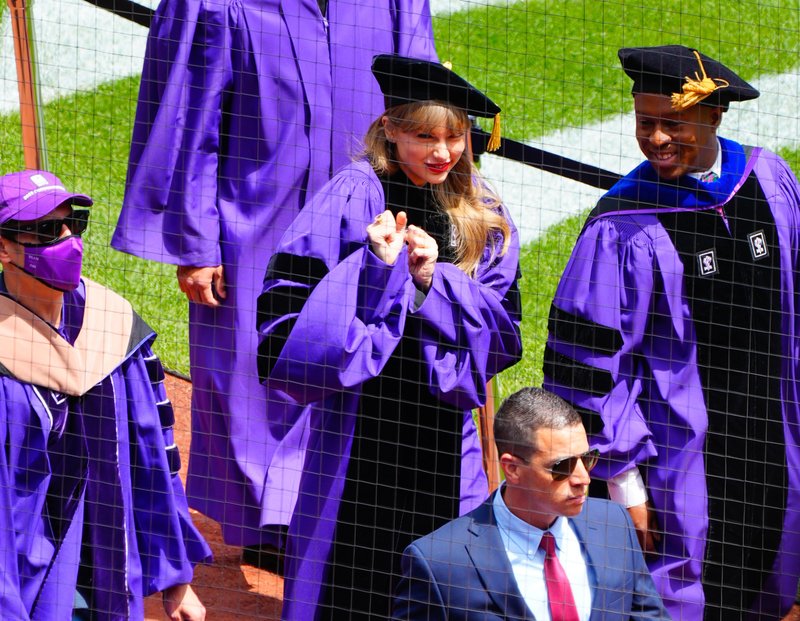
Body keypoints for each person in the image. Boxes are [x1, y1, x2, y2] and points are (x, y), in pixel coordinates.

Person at [111, 0, 442, 559]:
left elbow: (427, 95)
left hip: (369, 210)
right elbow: (192, 116)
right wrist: (196, 242)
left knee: (350, 343)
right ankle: (269, 522)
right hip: (256, 207)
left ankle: (327, 512)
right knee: (248, 360)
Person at [256, 54, 521, 620]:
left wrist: (431, 282)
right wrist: (374, 271)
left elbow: (503, 333)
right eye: (424, 135)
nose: (442, 153)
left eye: (455, 136)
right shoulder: (354, 195)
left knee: (438, 582)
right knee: (353, 580)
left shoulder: (481, 211)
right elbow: (283, 319)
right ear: (391, 129)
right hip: (358, 426)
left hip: (447, 428)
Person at [543, 45, 800, 620]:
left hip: (773, 443)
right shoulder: (623, 225)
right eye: (645, 122)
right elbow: (586, 369)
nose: (656, 139)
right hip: (678, 468)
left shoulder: (768, 180)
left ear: (714, 114)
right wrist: (625, 486)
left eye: (673, 123)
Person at [0, 170, 211, 620]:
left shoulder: (111, 324)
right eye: (42, 231)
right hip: (23, 569)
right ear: (3, 247)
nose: (65, 240)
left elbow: (152, 454)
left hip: (107, 551)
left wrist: (177, 580)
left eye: (72, 224)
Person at [392, 387, 669, 620]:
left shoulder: (613, 525)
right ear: (512, 469)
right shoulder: (440, 564)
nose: (583, 478)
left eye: (587, 458)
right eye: (562, 466)